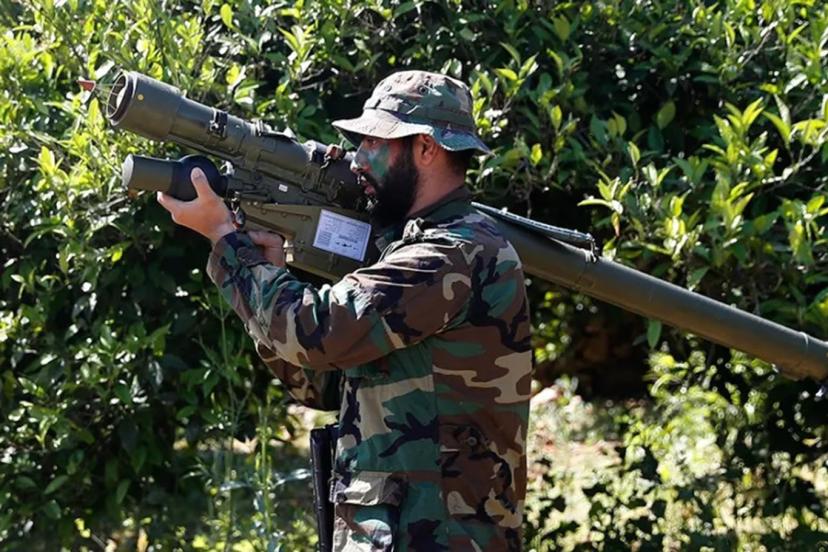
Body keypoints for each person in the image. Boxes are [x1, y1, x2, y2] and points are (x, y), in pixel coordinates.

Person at [157, 70, 533, 551]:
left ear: (426, 148)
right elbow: (323, 384)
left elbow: (315, 332)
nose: (358, 159)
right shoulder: (411, 247)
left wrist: (227, 243)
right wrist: (266, 274)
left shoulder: (451, 252)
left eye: (374, 142)